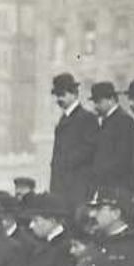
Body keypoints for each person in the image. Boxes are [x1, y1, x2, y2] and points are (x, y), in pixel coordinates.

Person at [48, 73, 98, 208]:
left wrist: (65, 162)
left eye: (62, 94)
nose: (59, 99)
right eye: (57, 95)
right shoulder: (63, 119)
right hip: (61, 187)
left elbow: (90, 149)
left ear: (74, 94)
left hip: (78, 187)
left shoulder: (87, 118)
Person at [89, 81, 134, 192]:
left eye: (98, 102)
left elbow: (123, 156)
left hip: (117, 185)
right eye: (94, 102)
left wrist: (102, 173)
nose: (95, 106)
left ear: (112, 100)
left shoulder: (124, 120)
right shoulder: (106, 121)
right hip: (106, 184)